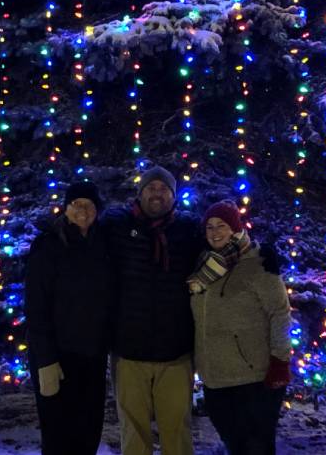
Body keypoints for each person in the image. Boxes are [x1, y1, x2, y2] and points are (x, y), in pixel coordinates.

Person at [102, 166, 204, 455]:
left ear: (174, 196)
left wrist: (256, 254)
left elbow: (221, 247)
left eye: (164, 189)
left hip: (176, 353)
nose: (157, 193)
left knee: (178, 433)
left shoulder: (188, 230)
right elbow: (82, 241)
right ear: (140, 192)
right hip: (129, 352)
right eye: (151, 187)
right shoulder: (117, 225)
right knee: (133, 435)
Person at [189, 200, 292, 455]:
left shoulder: (258, 263)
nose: (215, 232)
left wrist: (280, 360)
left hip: (254, 378)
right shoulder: (204, 265)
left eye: (221, 226)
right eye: (210, 227)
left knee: (256, 447)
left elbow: (280, 313)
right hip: (215, 378)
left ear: (235, 229)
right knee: (234, 445)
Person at [24, 181, 111, 455]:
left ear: (97, 209)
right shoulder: (48, 246)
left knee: (88, 434)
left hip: (92, 356)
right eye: (76, 204)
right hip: (56, 359)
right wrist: (46, 360)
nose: (82, 210)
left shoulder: (103, 244)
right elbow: (36, 308)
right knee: (59, 437)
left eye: (89, 204)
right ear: (66, 208)